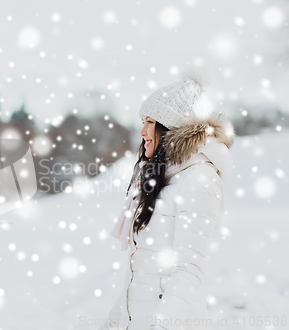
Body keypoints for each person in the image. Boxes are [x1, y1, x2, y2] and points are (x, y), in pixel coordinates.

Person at [99, 66, 235, 330]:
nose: (142, 132)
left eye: (150, 123)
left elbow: (187, 271)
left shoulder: (198, 180)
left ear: (171, 128)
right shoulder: (161, 179)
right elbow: (142, 274)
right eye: (143, 122)